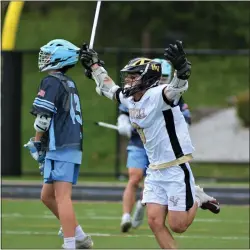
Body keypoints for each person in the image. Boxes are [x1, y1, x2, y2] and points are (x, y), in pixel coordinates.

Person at [79, 40, 220, 249]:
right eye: (127, 76)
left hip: (174, 167)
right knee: (154, 221)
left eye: (133, 76)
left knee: (178, 225)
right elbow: (109, 87)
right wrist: (94, 66)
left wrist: (182, 69)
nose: (128, 80)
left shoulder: (160, 95)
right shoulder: (130, 99)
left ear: (147, 78)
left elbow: (177, 87)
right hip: (154, 169)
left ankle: (197, 197)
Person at [24, 39, 93, 249]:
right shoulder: (68, 82)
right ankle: (79, 236)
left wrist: (37, 143)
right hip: (69, 144)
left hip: (61, 145)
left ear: (59, 59)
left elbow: (43, 119)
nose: (43, 58)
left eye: (48, 54)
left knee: (62, 197)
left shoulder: (51, 81)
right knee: (47, 196)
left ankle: (70, 244)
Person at [117, 58, 192, 233]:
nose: (164, 80)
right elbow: (121, 104)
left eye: (167, 76)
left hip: (163, 148)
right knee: (134, 177)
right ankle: (126, 216)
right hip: (139, 142)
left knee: (160, 183)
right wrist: (124, 123)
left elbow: (185, 118)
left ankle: (148, 203)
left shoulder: (167, 94)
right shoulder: (133, 94)